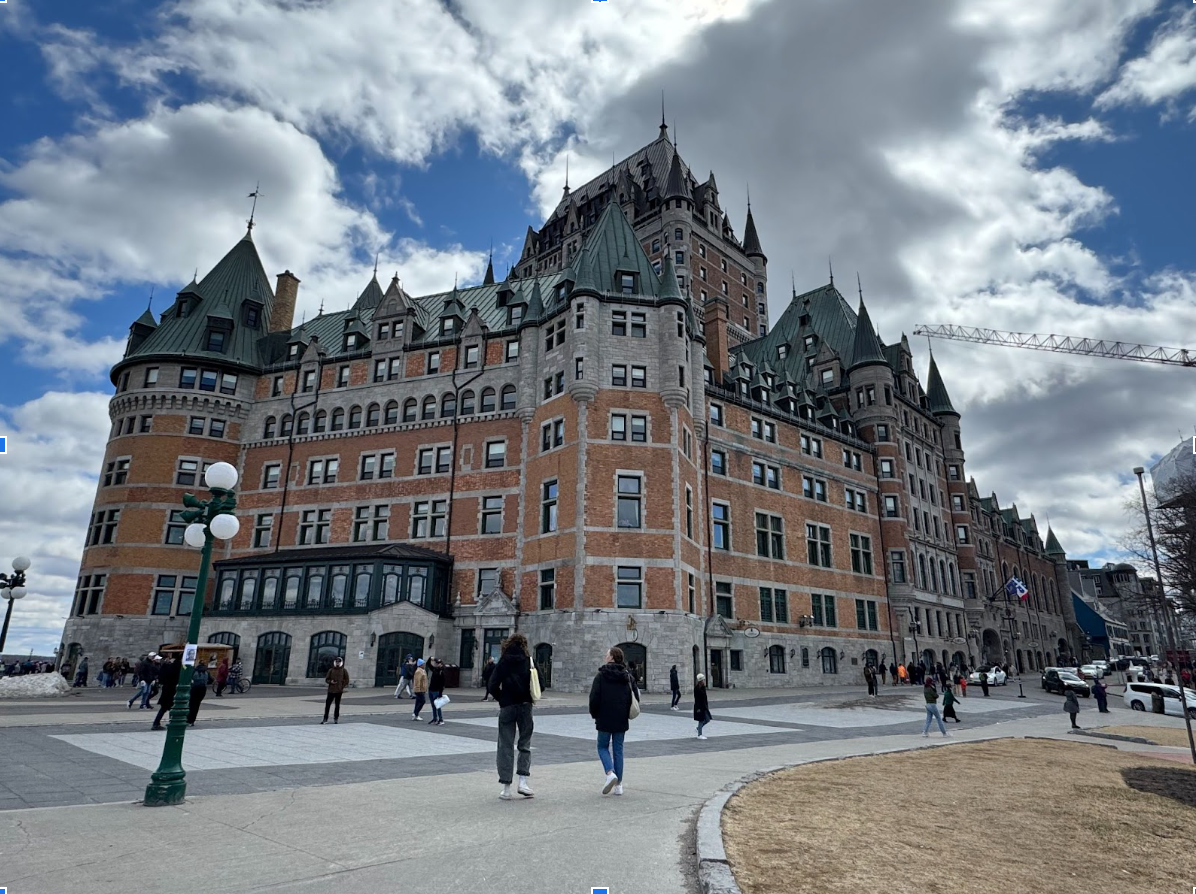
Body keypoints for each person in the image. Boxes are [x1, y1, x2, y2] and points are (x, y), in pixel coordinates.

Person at [488, 632, 535, 800]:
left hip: (507, 706)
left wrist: (503, 698)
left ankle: (506, 787)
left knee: (505, 745)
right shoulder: (528, 661)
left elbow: (492, 685)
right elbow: (540, 685)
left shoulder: (503, 662)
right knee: (525, 744)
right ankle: (523, 782)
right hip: (525, 705)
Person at [589, 646, 638, 796]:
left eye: (607, 654)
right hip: (621, 718)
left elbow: (594, 697)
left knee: (602, 746)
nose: (605, 656)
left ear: (611, 658)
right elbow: (635, 695)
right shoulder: (627, 676)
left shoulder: (601, 675)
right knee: (618, 750)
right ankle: (619, 785)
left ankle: (610, 773)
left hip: (604, 717)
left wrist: (594, 713)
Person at [151, 655, 180, 730]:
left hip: (167, 690)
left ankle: (158, 723)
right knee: (169, 707)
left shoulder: (169, 666)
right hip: (171, 690)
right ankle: (160, 723)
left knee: (165, 708)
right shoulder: (177, 667)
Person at [322, 656, 349, 724]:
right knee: (327, 705)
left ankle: (336, 718)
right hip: (331, 690)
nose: (337, 663)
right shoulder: (331, 670)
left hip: (339, 691)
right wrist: (330, 682)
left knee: (337, 705)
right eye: (336, 662)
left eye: (338, 662)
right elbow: (327, 679)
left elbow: (347, 680)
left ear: (341, 663)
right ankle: (325, 718)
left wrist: (341, 686)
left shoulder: (343, 670)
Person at [187, 661, 210, 726]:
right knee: (196, 705)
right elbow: (210, 679)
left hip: (194, 688)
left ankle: (188, 719)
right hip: (202, 689)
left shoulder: (194, 670)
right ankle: (192, 720)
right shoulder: (206, 671)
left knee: (191, 704)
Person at [428, 657, 446, 725]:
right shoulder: (435, 669)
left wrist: (440, 693)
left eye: (439, 663)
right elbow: (428, 664)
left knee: (438, 706)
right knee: (433, 705)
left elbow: (442, 684)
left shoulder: (442, 672)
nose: (437, 664)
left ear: (441, 664)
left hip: (436, 691)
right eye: (437, 663)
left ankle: (440, 719)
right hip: (431, 689)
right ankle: (435, 718)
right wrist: (431, 658)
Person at [694, 673, 712, 739]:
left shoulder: (703, 688)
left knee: (707, 719)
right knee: (701, 720)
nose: (704, 681)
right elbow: (697, 699)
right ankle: (699, 734)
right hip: (699, 706)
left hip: (704, 706)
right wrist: (698, 708)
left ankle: (698, 728)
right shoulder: (697, 689)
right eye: (703, 680)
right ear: (700, 681)